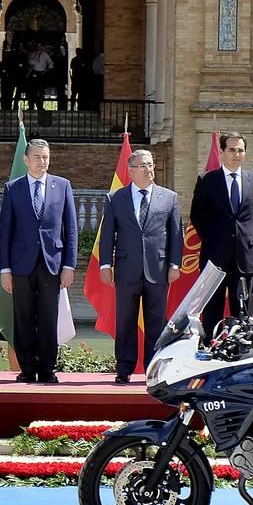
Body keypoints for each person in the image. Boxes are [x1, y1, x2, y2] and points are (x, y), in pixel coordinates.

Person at [97, 149, 183, 384]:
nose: (149, 169)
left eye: (151, 164)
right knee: (125, 320)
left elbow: (176, 234)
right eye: (143, 165)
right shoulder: (116, 198)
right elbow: (107, 235)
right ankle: (124, 368)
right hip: (126, 268)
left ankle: (153, 369)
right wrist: (105, 264)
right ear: (131, 170)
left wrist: (175, 263)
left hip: (158, 268)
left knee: (156, 321)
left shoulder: (169, 197)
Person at [0, 139, 77, 384]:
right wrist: (5, 269)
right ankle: (26, 369)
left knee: (47, 317)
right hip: (21, 265)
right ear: (26, 159)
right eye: (37, 157)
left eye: (45, 157)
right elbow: (6, 231)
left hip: (52, 263)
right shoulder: (13, 188)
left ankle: (47, 369)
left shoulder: (62, 186)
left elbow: (71, 229)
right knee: (22, 318)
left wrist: (69, 266)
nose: (42, 161)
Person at [191, 132, 253, 337]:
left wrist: (245, 238)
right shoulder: (208, 180)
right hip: (215, 257)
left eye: (241, 150)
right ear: (222, 152)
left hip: (244, 257)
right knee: (212, 311)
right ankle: (210, 351)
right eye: (232, 150)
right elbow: (197, 216)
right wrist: (216, 238)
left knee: (242, 312)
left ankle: (239, 354)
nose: (237, 154)